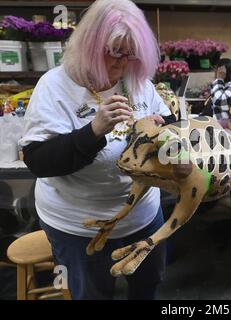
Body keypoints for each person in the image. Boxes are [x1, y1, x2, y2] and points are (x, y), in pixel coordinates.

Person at [19, 0, 176, 300]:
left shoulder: (137, 80)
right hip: (79, 226)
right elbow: (39, 162)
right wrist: (93, 131)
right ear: (90, 45)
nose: (121, 66)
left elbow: (166, 120)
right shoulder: (55, 86)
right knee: (91, 294)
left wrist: (163, 129)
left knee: (148, 285)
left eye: (130, 55)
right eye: (113, 54)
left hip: (142, 217)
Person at [206, 58, 231, 128]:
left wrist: (219, 79)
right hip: (221, 127)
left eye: (217, 70)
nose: (216, 72)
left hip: (230, 129)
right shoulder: (224, 85)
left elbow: (220, 102)